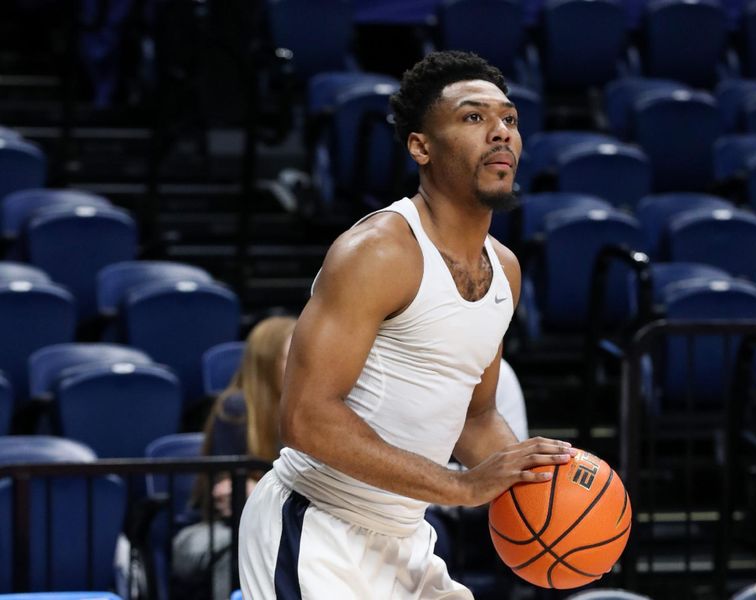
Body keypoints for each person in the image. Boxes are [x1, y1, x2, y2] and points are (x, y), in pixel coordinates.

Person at [238, 50, 576, 599]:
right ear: (420, 145)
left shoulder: (505, 269)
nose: (500, 133)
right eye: (473, 118)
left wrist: (548, 499)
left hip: (405, 536)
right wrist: (459, 486)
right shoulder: (378, 252)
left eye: (509, 119)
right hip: (318, 526)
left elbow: (476, 414)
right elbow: (306, 416)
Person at [172, 316, 296, 600]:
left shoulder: (303, 413)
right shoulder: (237, 408)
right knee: (238, 545)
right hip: (209, 532)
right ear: (266, 362)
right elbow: (228, 493)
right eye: (292, 357)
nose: (303, 365)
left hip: (273, 527)